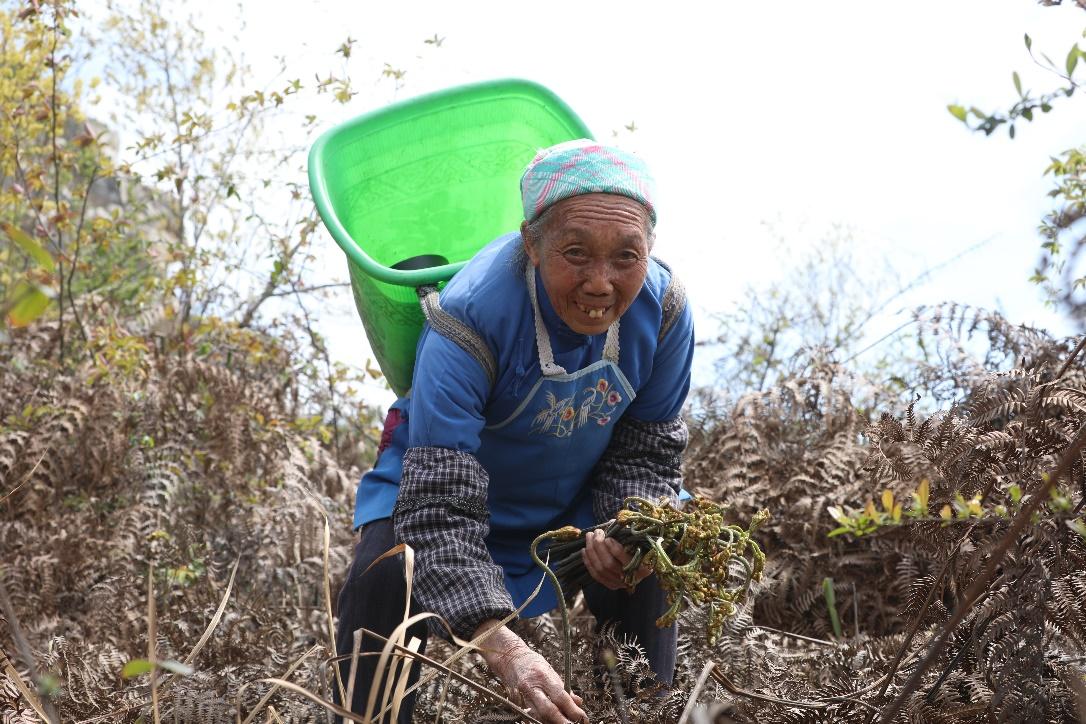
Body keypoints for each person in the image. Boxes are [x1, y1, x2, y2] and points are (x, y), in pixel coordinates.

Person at [334, 139, 694, 724]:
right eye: (575, 253)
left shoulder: (667, 312)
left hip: (569, 504)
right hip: (439, 497)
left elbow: (647, 453)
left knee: (647, 562)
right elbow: (438, 508)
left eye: (627, 257)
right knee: (387, 567)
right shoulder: (468, 318)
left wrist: (625, 529)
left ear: (649, 251)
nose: (601, 283)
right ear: (532, 243)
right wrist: (500, 643)